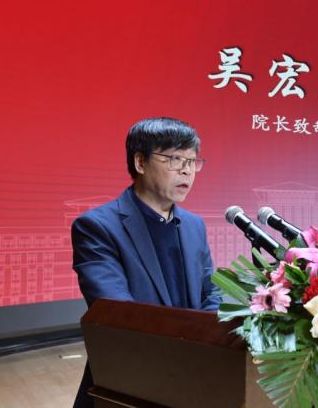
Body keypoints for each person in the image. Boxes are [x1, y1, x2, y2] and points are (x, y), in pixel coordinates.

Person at [71, 117, 221, 407]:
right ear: (140, 162)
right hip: (131, 377)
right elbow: (118, 313)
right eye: (175, 159)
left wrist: (207, 345)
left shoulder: (194, 225)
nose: (186, 170)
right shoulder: (97, 226)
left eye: (192, 161)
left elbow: (210, 291)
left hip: (196, 374)